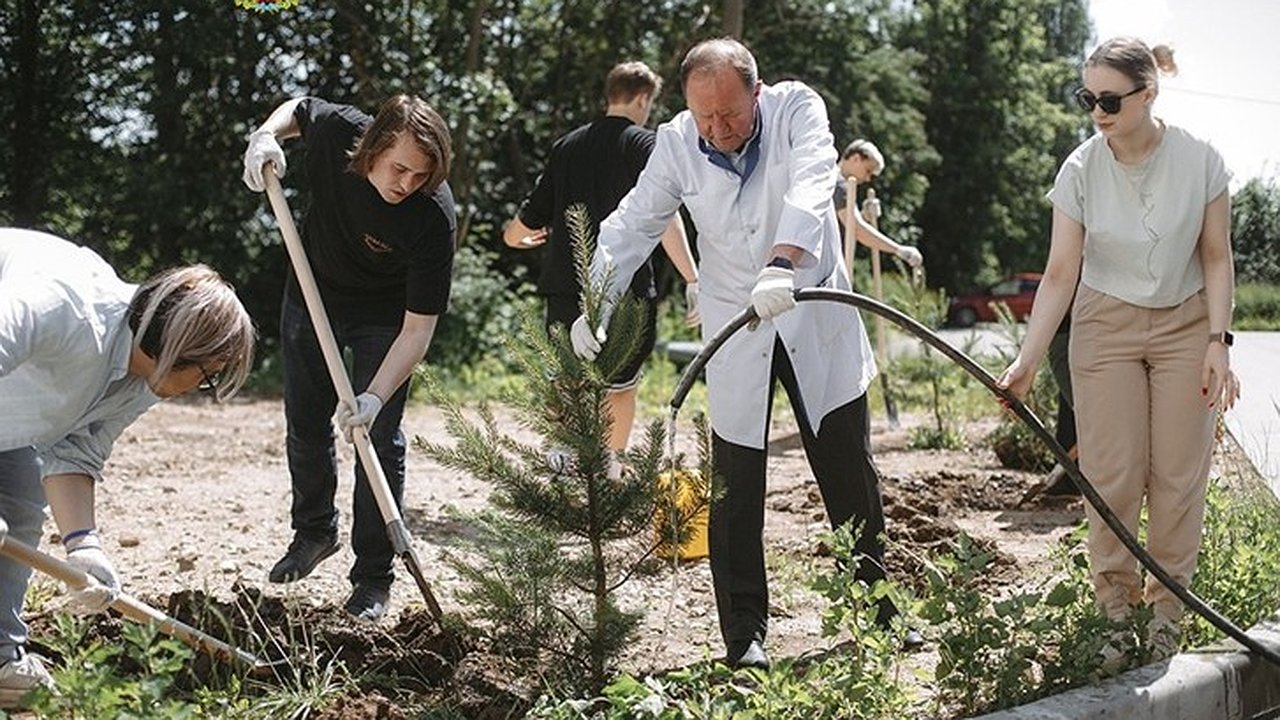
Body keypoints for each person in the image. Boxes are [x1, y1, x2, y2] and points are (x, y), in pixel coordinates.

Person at [570, 38, 919, 670]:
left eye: (729, 113)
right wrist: (596, 298)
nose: (717, 128)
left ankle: (880, 613)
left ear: (756, 93)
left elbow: (813, 181)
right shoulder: (677, 141)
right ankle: (744, 636)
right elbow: (635, 221)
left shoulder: (796, 110)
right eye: (704, 115)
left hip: (809, 305)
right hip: (737, 323)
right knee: (734, 485)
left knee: (848, 470)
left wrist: (783, 261)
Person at [997, 37, 1239, 662]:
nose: (1097, 113)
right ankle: (1114, 614)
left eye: (1110, 100)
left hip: (1186, 323)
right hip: (1104, 325)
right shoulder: (1080, 169)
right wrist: (1027, 361)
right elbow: (1060, 273)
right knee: (1113, 475)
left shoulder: (1201, 160)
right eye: (1088, 99)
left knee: (1177, 476)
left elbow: (1217, 257)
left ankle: (1166, 615)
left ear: (1147, 94)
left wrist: (1219, 342)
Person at [0, 229, 255, 707]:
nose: (201, 387)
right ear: (175, 346)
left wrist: (84, 547)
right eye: (206, 375)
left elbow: (74, 451)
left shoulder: (141, 379)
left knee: (17, 511)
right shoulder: (64, 306)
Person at [241, 94, 455, 621]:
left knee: (378, 438)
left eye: (421, 175)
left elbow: (418, 331)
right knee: (305, 422)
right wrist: (266, 135)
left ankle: (373, 578)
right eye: (400, 168)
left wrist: (374, 396)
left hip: (387, 318)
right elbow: (300, 107)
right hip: (312, 291)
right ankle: (314, 533)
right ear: (374, 147)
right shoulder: (341, 132)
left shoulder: (432, 215)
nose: (407, 184)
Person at [503, 61, 699, 465]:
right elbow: (665, 217)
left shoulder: (566, 146)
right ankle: (611, 468)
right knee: (620, 387)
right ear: (642, 98)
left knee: (566, 383)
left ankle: (562, 466)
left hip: (566, 286)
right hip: (627, 289)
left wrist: (518, 239)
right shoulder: (644, 144)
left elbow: (524, 222)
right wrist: (692, 278)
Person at [833, 139, 923, 270]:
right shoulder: (839, 185)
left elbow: (848, 226)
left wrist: (864, 216)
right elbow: (856, 229)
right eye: (868, 171)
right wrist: (899, 250)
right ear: (856, 158)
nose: (867, 178)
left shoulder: (832, 179)